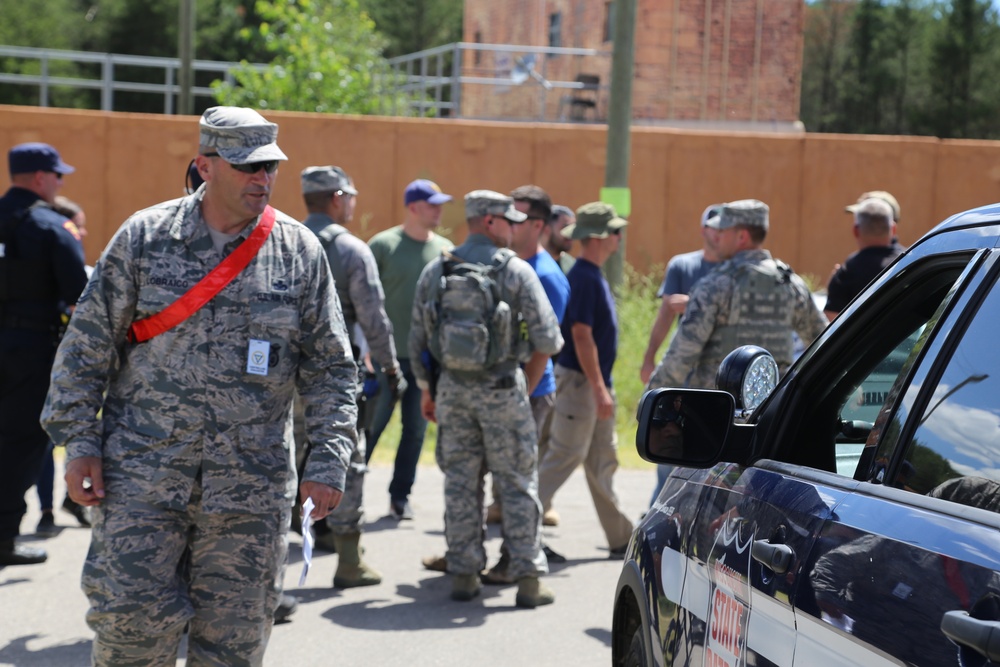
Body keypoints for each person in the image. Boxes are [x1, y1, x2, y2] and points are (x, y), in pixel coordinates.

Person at [41, 106, 357, 665]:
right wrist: (79, 443)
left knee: (232, 648)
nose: (262, 179)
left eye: (269, 166)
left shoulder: (298, 252)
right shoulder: (145, 238)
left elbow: (332, 368)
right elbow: (85, 348)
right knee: (130, 636)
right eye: (246, 166)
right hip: (142, 480)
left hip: (249, 491)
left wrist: (328, 463)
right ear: (204, 166)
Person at [409, 190, 563, 607]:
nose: (514, 228)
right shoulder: (515, 271)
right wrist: (524, 387)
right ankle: (529, 581)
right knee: (516, 482)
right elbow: (549, 338)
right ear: (491, 222)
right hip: (502, 389)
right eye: (509, 221)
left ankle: (463, 573)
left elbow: (418, 340)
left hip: (453, 392)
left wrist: (429, 390)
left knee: (460, 482)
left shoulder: (437, 269)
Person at [299, 164, 403, 588]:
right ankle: (348, 560)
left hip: (279, 377)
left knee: (284, 457)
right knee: (347, 459)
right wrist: (392, 367)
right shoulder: (351, 250)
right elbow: (374, 319)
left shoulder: (282, 239)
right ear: (337, 198)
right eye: (351, 196)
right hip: (333, 378)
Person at [0, 142, 88, 565]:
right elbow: (81, 296)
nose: (60, 182)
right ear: (40, 177)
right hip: (31, 351)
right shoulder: (52, 227)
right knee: (22, 444)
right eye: (58, 175)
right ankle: (3, 537)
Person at [536, 202, 636, 562]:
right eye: (614, 231)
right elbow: (581, 336)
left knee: (601, 460)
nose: (619, 237)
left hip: (593, 384)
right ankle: (524, 529)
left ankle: (622, 537)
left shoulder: (592, 274)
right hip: (581, 384)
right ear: (597, 237)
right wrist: (597, 388)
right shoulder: (582, 277)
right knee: (564, 456)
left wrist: (602, 387)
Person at [646, 199, 828, 392]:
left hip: (720, 410)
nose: (717, 237)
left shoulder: (715, 286)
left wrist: (650, 402)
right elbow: (824, 344)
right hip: (773, 414)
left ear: (742, 237)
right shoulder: (792, 286)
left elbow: (681, 357)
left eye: (722, 231)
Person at [367, 179, 453, 521]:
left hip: (425, 361)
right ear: (413, 207)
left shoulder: (446, 250)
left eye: (440, 203)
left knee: (415, 431)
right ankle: (345, 493)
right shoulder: (383, 246)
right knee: (370, 428)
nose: (439, 210)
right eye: (432, 204)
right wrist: (364, 351)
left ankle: (400, 497)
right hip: (383, 358)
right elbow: (362, 301)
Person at [640, 204, 722, 502]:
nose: (718, 234)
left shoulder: (733, 273)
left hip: (718, 378)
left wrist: (696, 304)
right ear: (703, 230)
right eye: (714, 227)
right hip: (683, 374)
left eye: (724, 229)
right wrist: (650, 357)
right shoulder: (683, 266)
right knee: (668, 441)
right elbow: (664, 316)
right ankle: (660, 506)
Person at [34, 195, 93, 535]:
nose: (82, 233)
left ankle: (55, 504)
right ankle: (45, 508)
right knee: (41, 441)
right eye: (77, 226)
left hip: (66, 373)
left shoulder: (83, 274)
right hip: (44, 365)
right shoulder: (49, 277)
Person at [824, 197, 902, 321]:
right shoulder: (910, 262)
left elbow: (831, 319)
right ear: (893, 229)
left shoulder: (848, 271)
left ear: (855, 231)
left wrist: (832, 288)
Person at [543, 204, 576, 274]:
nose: (570, 234)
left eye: (572, 229)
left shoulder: (572, 266)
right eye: (565, 228)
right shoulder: (530, 263)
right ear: (547, 229)